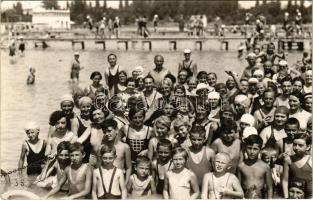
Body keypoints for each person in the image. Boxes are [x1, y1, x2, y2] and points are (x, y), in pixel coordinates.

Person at [101, 119, 132, 184]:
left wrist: (125, 183)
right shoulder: (102, 147)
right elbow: (98, 167)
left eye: (109, 131)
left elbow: (129, 168)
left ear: (116, 130)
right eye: (104, 132)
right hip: (105, 180)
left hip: (119, 180)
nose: (107, 134)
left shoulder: (125, 147)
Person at [282, 133, 312, 198]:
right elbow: (285, 180)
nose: (296, 147)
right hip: (294, 194)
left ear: (308, 147)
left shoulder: (311, 160)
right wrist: (286, 197)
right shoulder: (288, 160)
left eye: (300, 145)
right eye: (295, 144)